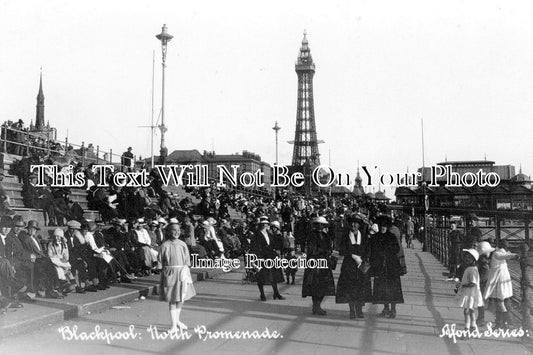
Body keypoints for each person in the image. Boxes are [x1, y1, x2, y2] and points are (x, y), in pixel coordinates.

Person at [157, 224, 196, 333]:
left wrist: (187, 270)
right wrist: (163, 271)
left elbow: (187, 259)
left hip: (182, 273)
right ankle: (174, 325)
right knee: (172, 299)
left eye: (178, 230)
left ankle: (177, 321)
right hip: (170, 273)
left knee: (180, 298)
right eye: (174, 230)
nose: (177, 232)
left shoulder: (182, 244)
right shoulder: (164, 245)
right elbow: (160, 261)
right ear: (169, 232)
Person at [336, 214, 372, 319]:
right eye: (352, 223)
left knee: (361, 288)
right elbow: (342, 249)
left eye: (356, 223)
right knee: (350, 288)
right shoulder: (346, 236)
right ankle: (352, 310)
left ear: (359, 225)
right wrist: (352, 255)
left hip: (361, 265)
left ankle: (359, 310)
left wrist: (363, 258)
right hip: (349, 265)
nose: (353, 225)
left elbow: (368, 249)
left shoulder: (364, 236)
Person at [370, 215, 404, 318]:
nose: (383, 228)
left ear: (387, 226)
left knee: (393, 288)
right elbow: (372, 251)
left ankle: (393, 309)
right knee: (383, 288)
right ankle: (386, 308)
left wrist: (387, 252)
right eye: (381, 226)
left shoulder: (392, 237)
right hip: (380, 266)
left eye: (385, 226)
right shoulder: (375, 238)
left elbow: (397, 249)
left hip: (391, 265)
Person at [302, 216, 335, 315]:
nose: (320, 226)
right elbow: (312, 250)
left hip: (324, 263)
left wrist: (329, 251)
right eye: (318, 224)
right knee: (315, 286)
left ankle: (317, 305)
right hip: (315, 263)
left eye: (322, 225)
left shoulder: (325, 235)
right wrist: (324, 250)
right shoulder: (312, 235)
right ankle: (316, 306)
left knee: (323, 286)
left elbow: (330, 247)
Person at [484, 239, 518, 329]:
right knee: (500, 301)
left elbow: (504, 256)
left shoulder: (496, 253)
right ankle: (503, 322)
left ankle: (502, 323)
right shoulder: (498, 253)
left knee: (500, 301)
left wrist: (513, 255)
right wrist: (514, 255)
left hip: (498, 279)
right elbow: (505, 256)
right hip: (502, 278)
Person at [251, 217, 285, 301]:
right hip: (261, 256)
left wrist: (279, 235)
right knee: (261, 276)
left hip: (270, 256)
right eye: (264, 224)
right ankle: (262, 294)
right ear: (261, 225)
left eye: (266, 224)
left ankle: (276, 293)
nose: (265, 225)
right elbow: (254, 246)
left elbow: (274, 244)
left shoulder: (269, 234)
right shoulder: (257, 234)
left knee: (273, 275)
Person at [456, 249, 483, 333]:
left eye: (469, 258)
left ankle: (467, 328)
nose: (467, 259)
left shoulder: (471, 269)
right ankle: (473, 326)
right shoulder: (472, 268)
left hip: (470, 293)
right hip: (471, 293)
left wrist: (463, 285)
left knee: (467, 311)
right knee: (470, 311)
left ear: (473, 260)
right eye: (466, 257)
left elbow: (473, 283)